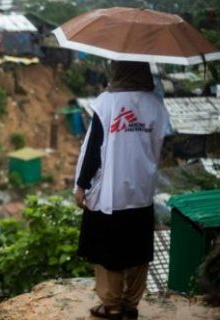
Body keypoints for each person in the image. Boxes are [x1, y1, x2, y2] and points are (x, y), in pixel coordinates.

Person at [74, 61, 169, 320]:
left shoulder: (107, 103)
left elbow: (93, 150)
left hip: (111, 191)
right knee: (138, 251)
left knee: (108, 253)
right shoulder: (156, 104)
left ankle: (112, 305)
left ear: (118, 70)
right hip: (141, 191)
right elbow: (160, 144)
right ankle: (130, 305)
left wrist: (81, 185)